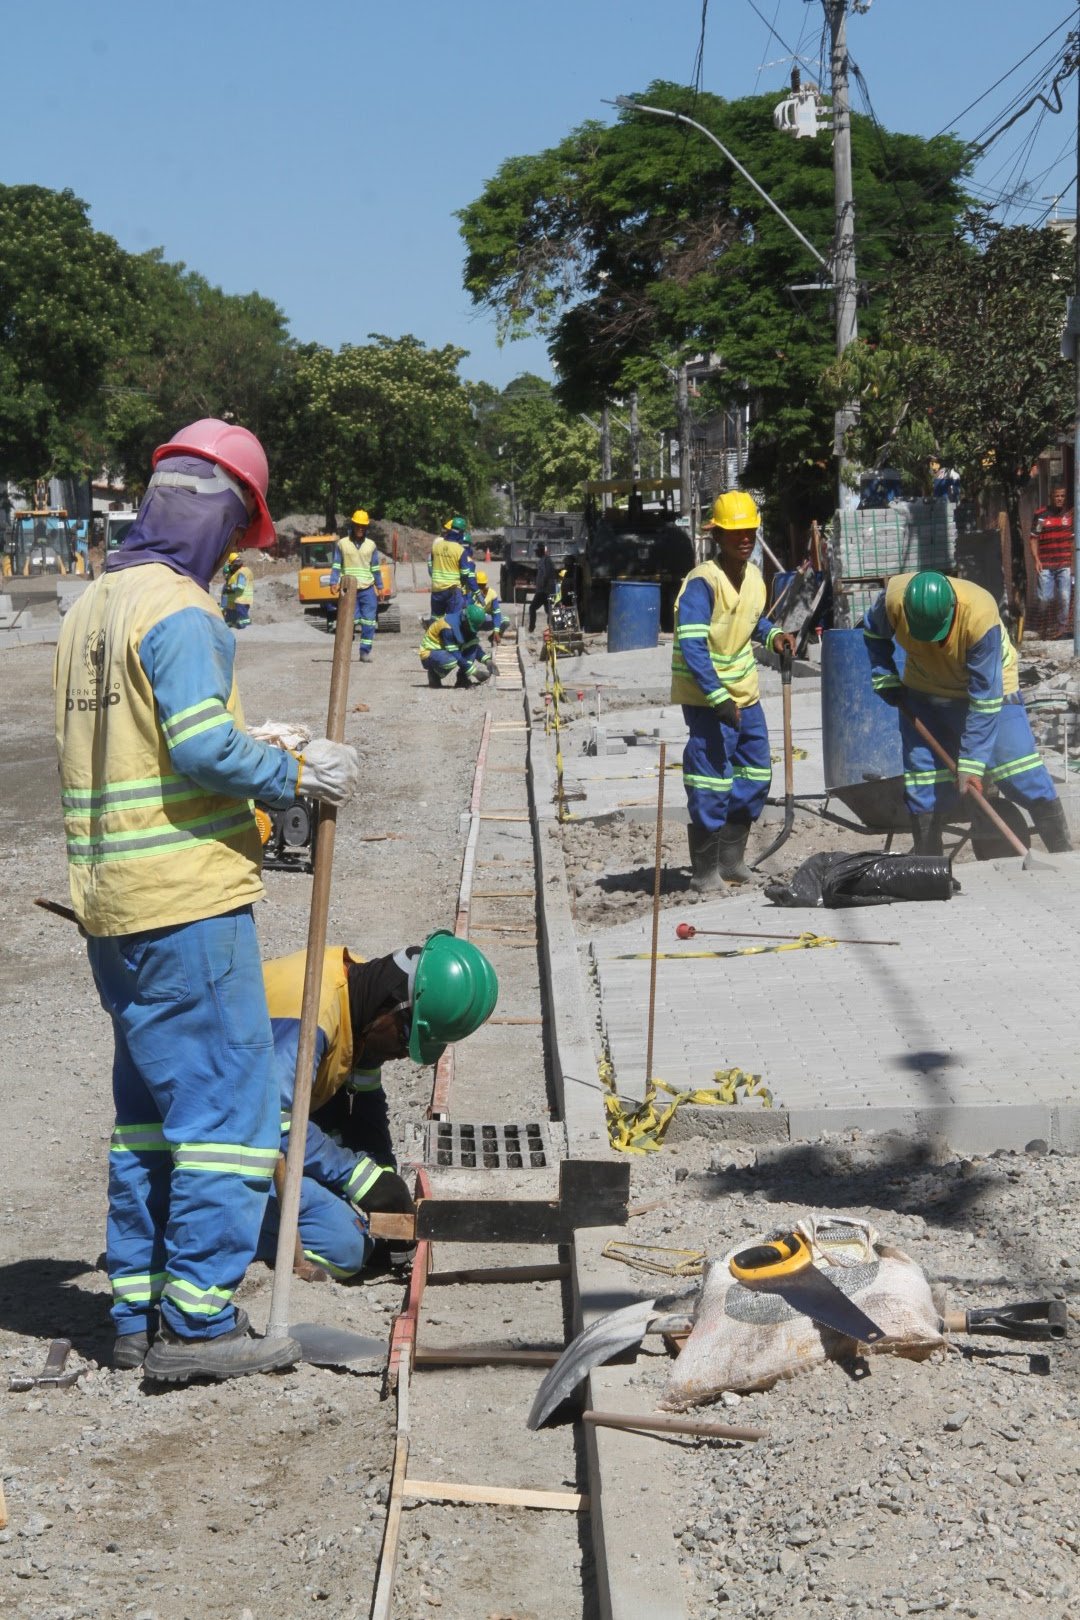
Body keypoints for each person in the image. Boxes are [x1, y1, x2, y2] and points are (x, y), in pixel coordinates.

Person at [54, 417, 362, 1382]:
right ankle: (197, 1321)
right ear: (222, 514)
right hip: (187, 899)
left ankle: (137, 1313)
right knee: (227, 1110)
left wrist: (256, 744)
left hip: (113, 904)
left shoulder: (92, 608)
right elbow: (195, 746)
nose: (234, 554)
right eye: (236, 534)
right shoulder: (184, 612)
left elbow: (145, 742)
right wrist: (294, 773)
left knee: (149, 1115)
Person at [257, 934, 498, 1278]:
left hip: (254, 1125)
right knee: (344, 1245)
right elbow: (269, 1120)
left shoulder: (361, 993)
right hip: (210, 1146)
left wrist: (384, 1184)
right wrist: (360, 1179)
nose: (402, 1054)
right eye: (405, 1040)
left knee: (343, 1170)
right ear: (393, 1005)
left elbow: (363, 1109)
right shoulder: (312, 1012)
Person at [863, 569, 1071, 854]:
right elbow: (873, 633)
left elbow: (984, 699)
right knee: (924, 780)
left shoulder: (979, 616)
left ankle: (1063, 856)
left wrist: (972, 763)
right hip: (924, 691)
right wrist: (884, 673)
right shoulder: (893, 599)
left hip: (993, 688)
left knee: (1020, 770)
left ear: (952, 610)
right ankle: (928, 866)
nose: (932, 643)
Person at [670, 491, 795, 888]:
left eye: (750, 532)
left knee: (756, 772)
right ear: (717, 537)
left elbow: (751, 619)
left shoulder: (756, 578)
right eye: (735, 532)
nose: (745, 539)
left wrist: (773, 634)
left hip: (745, 693)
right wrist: (717, 697)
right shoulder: (702, 584)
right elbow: (692, 644)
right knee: (711, 781)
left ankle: (731, 860)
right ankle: (704, 872)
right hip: (708, 698)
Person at [331, 508, 380, 661]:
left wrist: (380, 586)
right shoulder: (342, 544)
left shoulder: (371, 545)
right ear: (352, 525)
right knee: (350, 620)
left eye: (363, 526)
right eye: (357, 525)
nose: (360, 528)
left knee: (369, 621)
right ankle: (344, 651)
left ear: (366, 528)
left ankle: (364, 652)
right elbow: (337, 565)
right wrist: (333, 582)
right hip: (348, 589)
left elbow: (376, 568)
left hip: (367, 588)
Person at [1029, 480, 1074, 641]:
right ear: (1051, 497)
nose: (1060, 499)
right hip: (1046, 564)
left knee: (1064, 597)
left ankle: (1061, 628)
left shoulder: (1069, 516)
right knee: (1044, 599)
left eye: (1062, 496)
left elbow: (1074, 541)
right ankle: (1044, 625)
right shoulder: (1041, 516)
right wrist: (1036, 559)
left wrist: (1074, 564)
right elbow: (1033, 538)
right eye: (1057, 496)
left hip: (1064, 564)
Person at [419, 600, 492, 687]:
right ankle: (434, 674)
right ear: (465, 620)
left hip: (446, 650)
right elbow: (455, 654)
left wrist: (487, 661)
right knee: (451, 660)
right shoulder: (448, 627)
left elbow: (474, 646)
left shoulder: (466, 624)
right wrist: (475, 672)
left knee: (471, 648)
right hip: (431, 653)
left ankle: (462, 679)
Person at [429, 516, 476, 617]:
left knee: (436, 618)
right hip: (452, 589)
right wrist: (463, 583)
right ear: (460, 532)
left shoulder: (436, 545)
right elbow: (465, 573)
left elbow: (431, 564)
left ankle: (434, 632)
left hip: (436, 588)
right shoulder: (459, 550)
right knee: (453, 618)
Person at [528, 544, 558, 633]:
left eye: (537, 551)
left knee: (532, 608)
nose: (536, 553)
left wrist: (543, 586)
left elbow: (546, 574)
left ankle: (532, 627)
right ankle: (552, 627)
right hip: (543, 590)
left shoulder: (546, 560)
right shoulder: (543, 560)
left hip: (544, 591)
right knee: (548, 610)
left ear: (541, 551)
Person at [219, 551, 253, 629]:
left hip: (240, 602)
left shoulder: (239, 574)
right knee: (230, 621)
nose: (226, 576)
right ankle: (234, 623)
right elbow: (224, 600)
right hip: (232, 606)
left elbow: (239, 587)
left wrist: (230, 587)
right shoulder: (236, 576)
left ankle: (243, 622)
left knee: (241, 620)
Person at [473, 568, 505, 646]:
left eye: (483, 585)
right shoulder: (470, 593)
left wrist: (496, 631)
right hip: (473, 622)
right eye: (479, 585)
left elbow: (497, 613)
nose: (481, 587)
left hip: (485, 620)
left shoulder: (492, 593)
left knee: (505, 620)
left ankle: (493, 637)